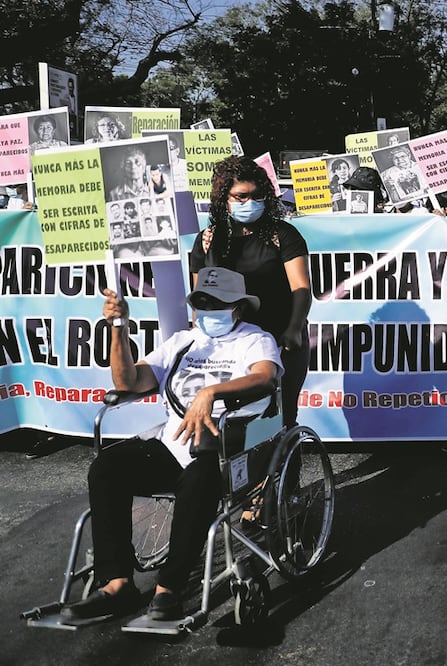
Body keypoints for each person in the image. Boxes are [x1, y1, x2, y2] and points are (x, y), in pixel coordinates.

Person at [59, 267, 281, 623]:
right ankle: (117, 584)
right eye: (201, 303)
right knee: (107, 468)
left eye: (217, 304)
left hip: (228, 449)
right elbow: (129, 380)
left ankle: (168, 590)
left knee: (199, 479)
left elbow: (265, 377)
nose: (207, 311)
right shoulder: (181, 342)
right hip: (173, 446)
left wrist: (211, 392)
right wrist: (119, 328)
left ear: (237, 308)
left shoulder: (255, 340)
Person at [189, 156, 312, 428]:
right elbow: (200, 298)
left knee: (279, 418)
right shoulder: (209, 239)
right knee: (232, 422)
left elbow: (301, 289)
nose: (249, 203)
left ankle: (284, 471)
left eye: (256, 196)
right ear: (224, 198)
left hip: (281, 339)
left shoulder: (283, 235)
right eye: (240, 197)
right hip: (231, 345)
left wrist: (294, 328)